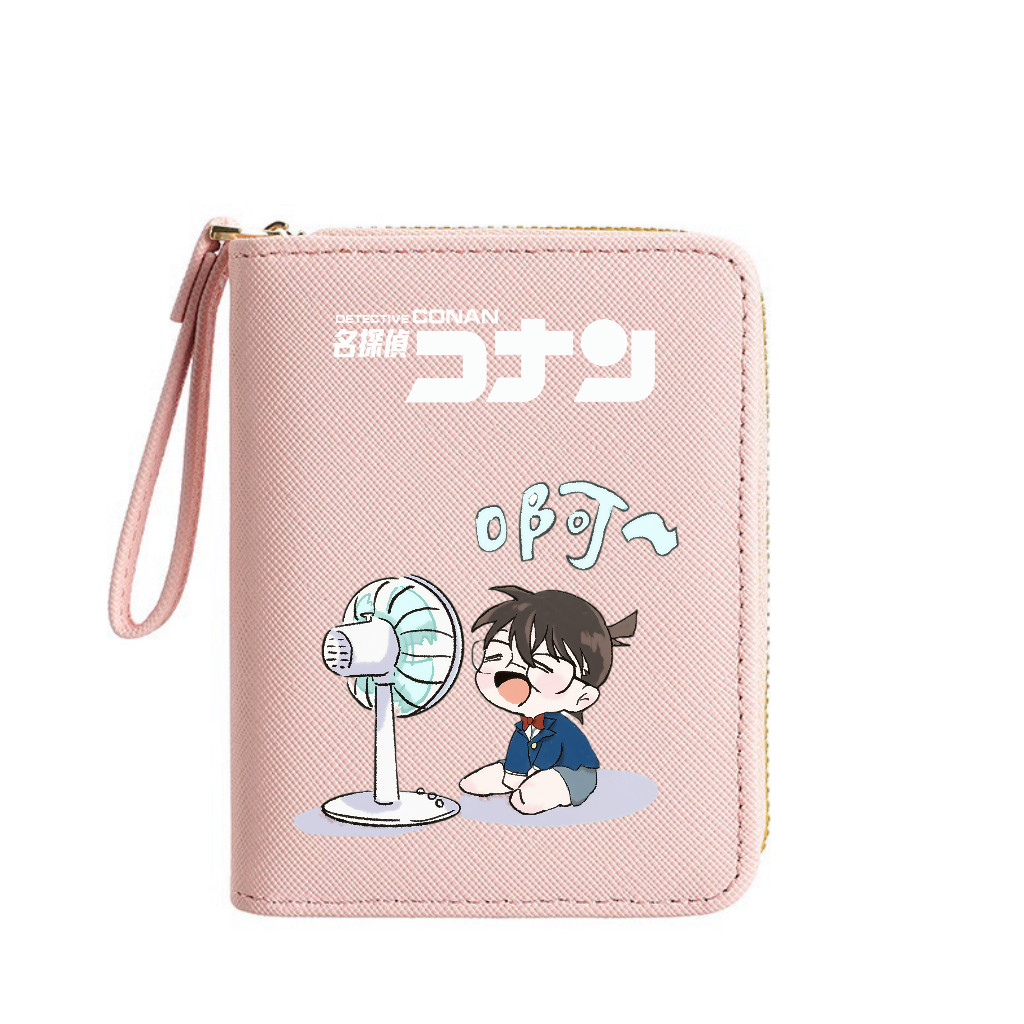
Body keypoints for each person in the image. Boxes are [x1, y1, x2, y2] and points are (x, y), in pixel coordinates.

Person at [460, 585, 637, 814]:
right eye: (495, 656)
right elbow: (519, 752)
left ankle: (545, 787)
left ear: (582, 697)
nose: (508, 675)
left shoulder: (562, 729)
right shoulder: (524, 727)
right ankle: (509, 776)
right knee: (515, 772)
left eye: (541, 666)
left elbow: (567, 757)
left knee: (548, 786)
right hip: (535, 768)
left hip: (574, 773)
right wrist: (513, 775)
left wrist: (542, 776)